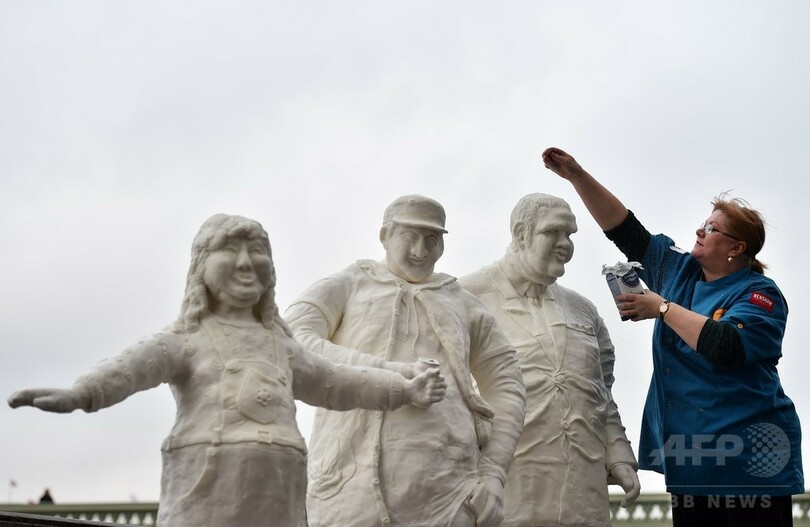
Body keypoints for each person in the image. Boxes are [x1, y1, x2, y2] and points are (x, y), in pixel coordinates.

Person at [8, 213, 447, 527]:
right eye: (229, 250)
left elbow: (337, 382)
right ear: (201, 268)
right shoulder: (186, 339)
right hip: (205, 486)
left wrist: (405, 388)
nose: (244, 262)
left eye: (256, 251)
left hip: (279, 489)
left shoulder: (282, 345)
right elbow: (130, 368)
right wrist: (81, 394)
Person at [542, 147, 803, 526]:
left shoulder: (760, 294)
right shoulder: (679, 271)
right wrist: (576, 175)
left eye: (712, 228)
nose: (699, 230)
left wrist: (661, 308)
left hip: (748, 465)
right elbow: (626, 231)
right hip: (692, 460)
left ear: (737, 248)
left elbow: (726, 346)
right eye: (703, 222)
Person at [285, 194, 526, 527]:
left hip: (450, 492)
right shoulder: (347, 284)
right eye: (409, 237)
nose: (419, 251)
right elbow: (291, 341)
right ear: (385, 236)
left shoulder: (465, 305)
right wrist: (394, 375)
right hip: (348, 490)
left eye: (431, 240)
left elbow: (507, 383)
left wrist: (494, 472)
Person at [460, 193, 639, 527]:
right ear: (520, 233)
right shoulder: (464, 298)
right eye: (553, 232)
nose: (565, 244)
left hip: (582, 490)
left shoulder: (582, 309)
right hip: (502, 485)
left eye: (570, 235)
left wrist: (617, 452)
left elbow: (601, 392)